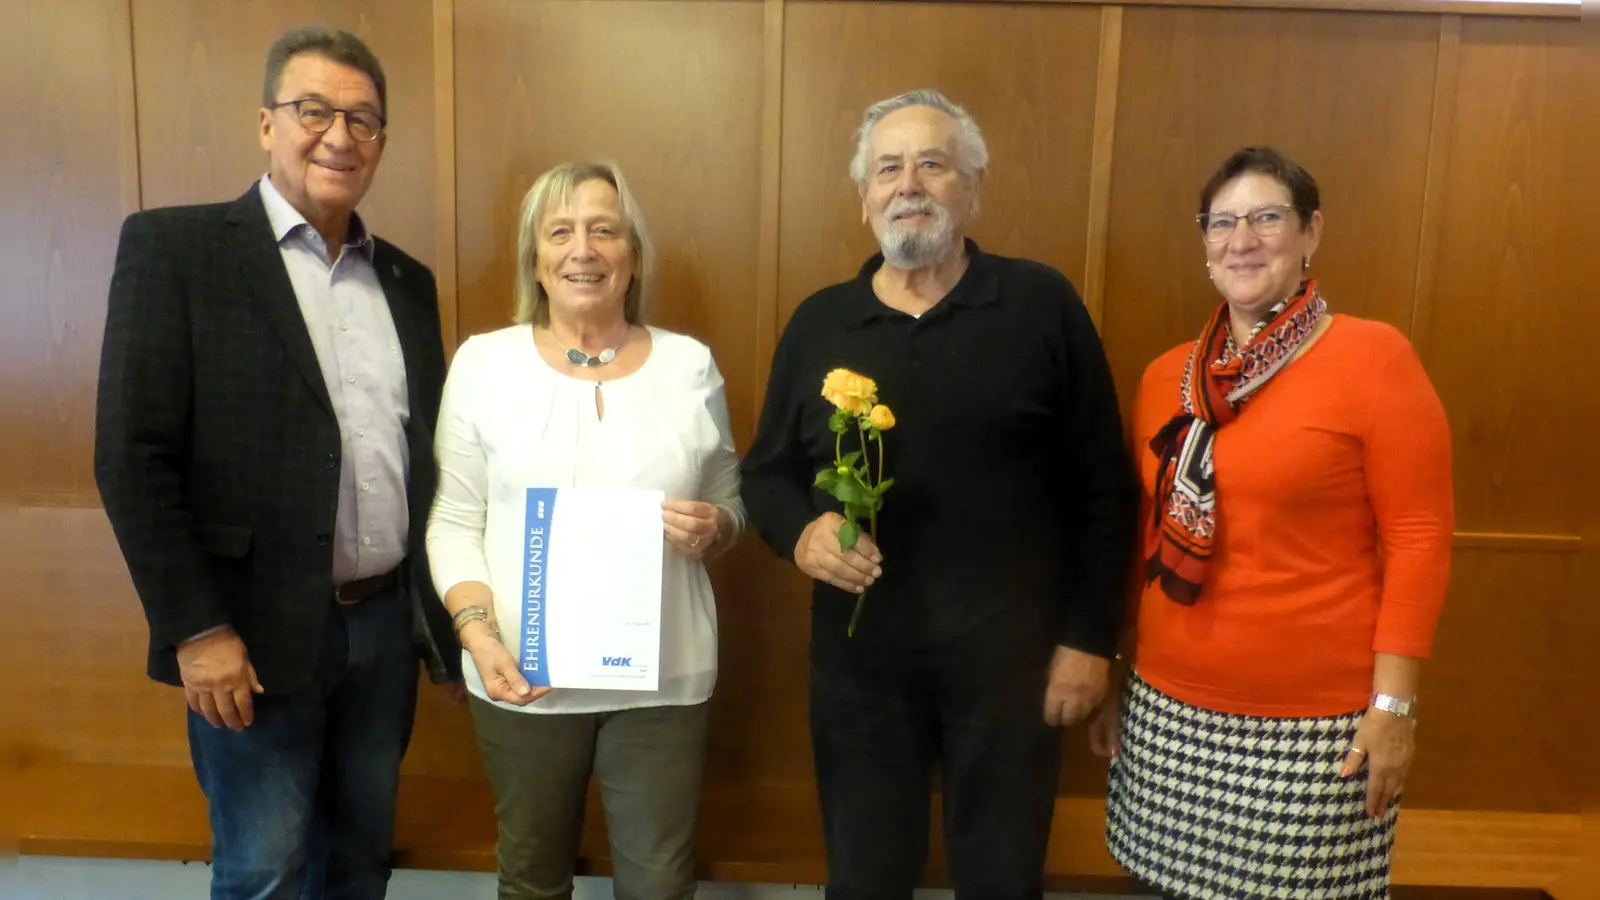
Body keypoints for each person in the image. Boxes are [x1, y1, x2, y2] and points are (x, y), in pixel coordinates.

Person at [740, 89, 1138, 899]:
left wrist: (1090, 641)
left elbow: (1105, 488)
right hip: (860, 672)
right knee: (865, 881)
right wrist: (803, 534)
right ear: (864, 198)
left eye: (933, 164)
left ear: (973, 187)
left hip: (1013, 669)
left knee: (1001, 882)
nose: (909, 184)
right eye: (888, 168)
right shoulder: (821, 323)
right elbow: (766, 474)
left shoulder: (1041, 305)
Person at [93, 26, 460, 900]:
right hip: (247, 637)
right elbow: (132, 457)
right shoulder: (177, 251)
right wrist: (197, 630)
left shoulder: (406, 282)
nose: (339, 136)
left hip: (383, 630)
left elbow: (427, 456)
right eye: (313, 110)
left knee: (360, 864)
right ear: (267, 123)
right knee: (265, 874)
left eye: (362, 120)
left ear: (381, 143)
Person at [1091, 147, 1455, 900]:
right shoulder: (1167, 377)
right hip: (1167, 712)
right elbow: (1144, 535)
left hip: (1315, 730)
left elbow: (1418, 539)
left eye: (1267, 218)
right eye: (1222, 222)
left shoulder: (1374, 359)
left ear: (1310, 232)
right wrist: (1114, 672)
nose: (1242, 240)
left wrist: (1394, 707)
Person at [425, 160, 745, 900]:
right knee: (532, 883)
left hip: (663, 679)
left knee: (660, 887)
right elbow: (453, 520)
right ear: (535, 257)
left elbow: (730, 502)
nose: (583, 249)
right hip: (521, 676)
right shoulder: (484, 363)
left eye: (605, 230)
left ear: (632, 254)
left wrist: (716, 527)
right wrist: (476, 635)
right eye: (560, 231)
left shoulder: (689, 365)